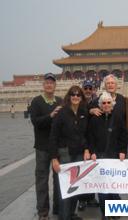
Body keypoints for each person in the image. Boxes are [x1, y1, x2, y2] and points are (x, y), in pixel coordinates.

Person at [50, 85, 88, 220]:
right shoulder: (62, 112)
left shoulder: (84, 112)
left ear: (81, 97)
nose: (76, 97)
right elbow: (53, 136)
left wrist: (87, 149)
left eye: (78, 95)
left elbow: (87, 134)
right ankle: (64, 216)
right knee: (65, 188)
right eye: (73, 94)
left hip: (78, 153)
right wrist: (54, 158)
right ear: (69, 96)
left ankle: (71, 213)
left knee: (75, 185)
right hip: (64, 153)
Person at [88, 91, 128, 217]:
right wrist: (92, 151)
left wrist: (122, 151)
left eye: (108, 103)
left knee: (114, 185)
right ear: (100, 104)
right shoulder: (94, 119)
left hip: (114, 156)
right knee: (102, 187)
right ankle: (105, 212)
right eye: (103, 103)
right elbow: (90, 138)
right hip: (100, 156)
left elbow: (123, 136)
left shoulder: (118, 118)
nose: (106, 105)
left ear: (112, 104)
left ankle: (115, 210)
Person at [30, 73, 62, 220]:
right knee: (42, 180)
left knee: (58, 179)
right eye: (47, 83)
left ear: (55, 86)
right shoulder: (36, 102)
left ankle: (58, 208)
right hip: (42, 147)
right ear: (44, 85)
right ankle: (43, 212)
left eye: (52, 83)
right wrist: (51, 115)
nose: (49, 85)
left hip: (57, 147)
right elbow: (36, 122)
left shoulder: (60, 101)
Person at [77, 80, 99, 211]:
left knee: (92, 172)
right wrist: (89, 110)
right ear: (82, 89)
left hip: (93, 140)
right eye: (86, 88)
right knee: (82, 172)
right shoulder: (78, 102)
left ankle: (90, 197)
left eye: (90, 88)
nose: (88, 90)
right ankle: (81, 199)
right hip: (81, 141)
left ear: (93, 89)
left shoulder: (97, 102)